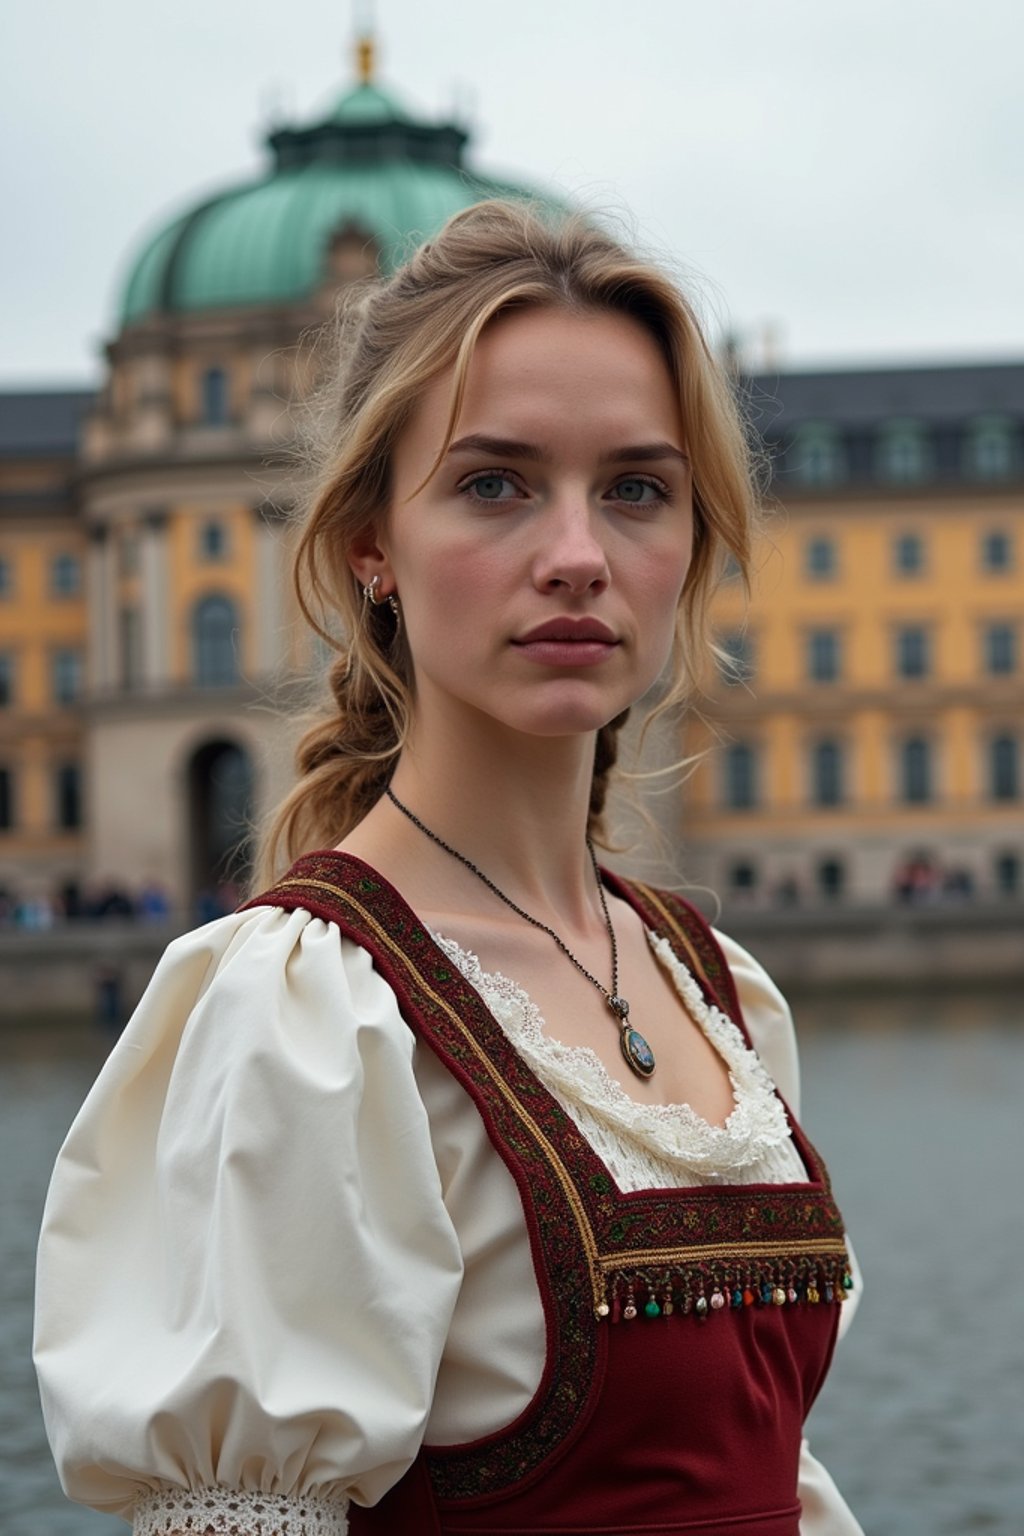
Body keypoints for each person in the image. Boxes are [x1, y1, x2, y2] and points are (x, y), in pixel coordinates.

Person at [35, 200, 863, 1536]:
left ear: (692, 544)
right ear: (371, 545)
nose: (580, 557)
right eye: (496, 483)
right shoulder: (307, 1018)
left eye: (638, 489)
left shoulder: (717, 987)